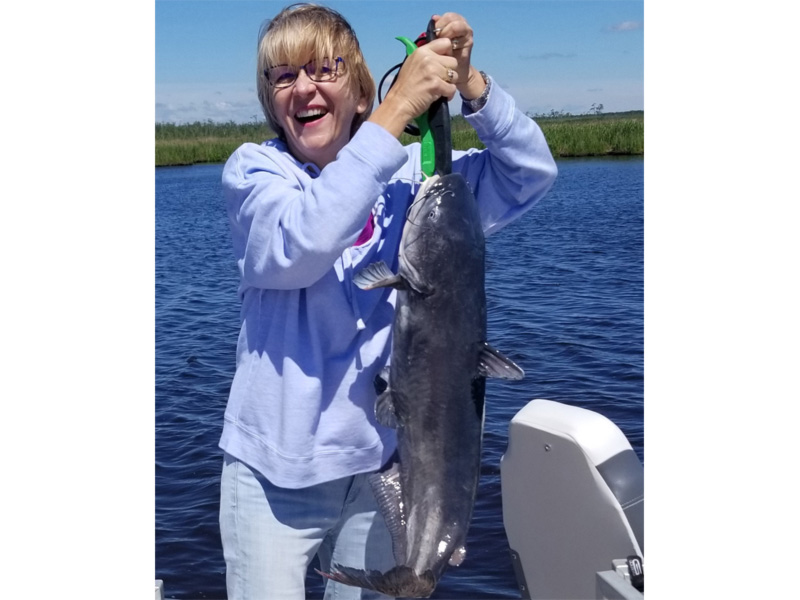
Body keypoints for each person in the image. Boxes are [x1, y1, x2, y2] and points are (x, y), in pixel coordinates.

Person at [218, 3, 557, 598]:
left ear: (359, 91)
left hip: (387, 466)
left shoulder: (413, 184)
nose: (304, 88)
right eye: (283, 76)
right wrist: (397, 110)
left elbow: (530, 173)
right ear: (270, 99)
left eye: (324, 69)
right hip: (274, 472)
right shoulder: (255, 174)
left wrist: (469, 82)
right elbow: (304, 241)